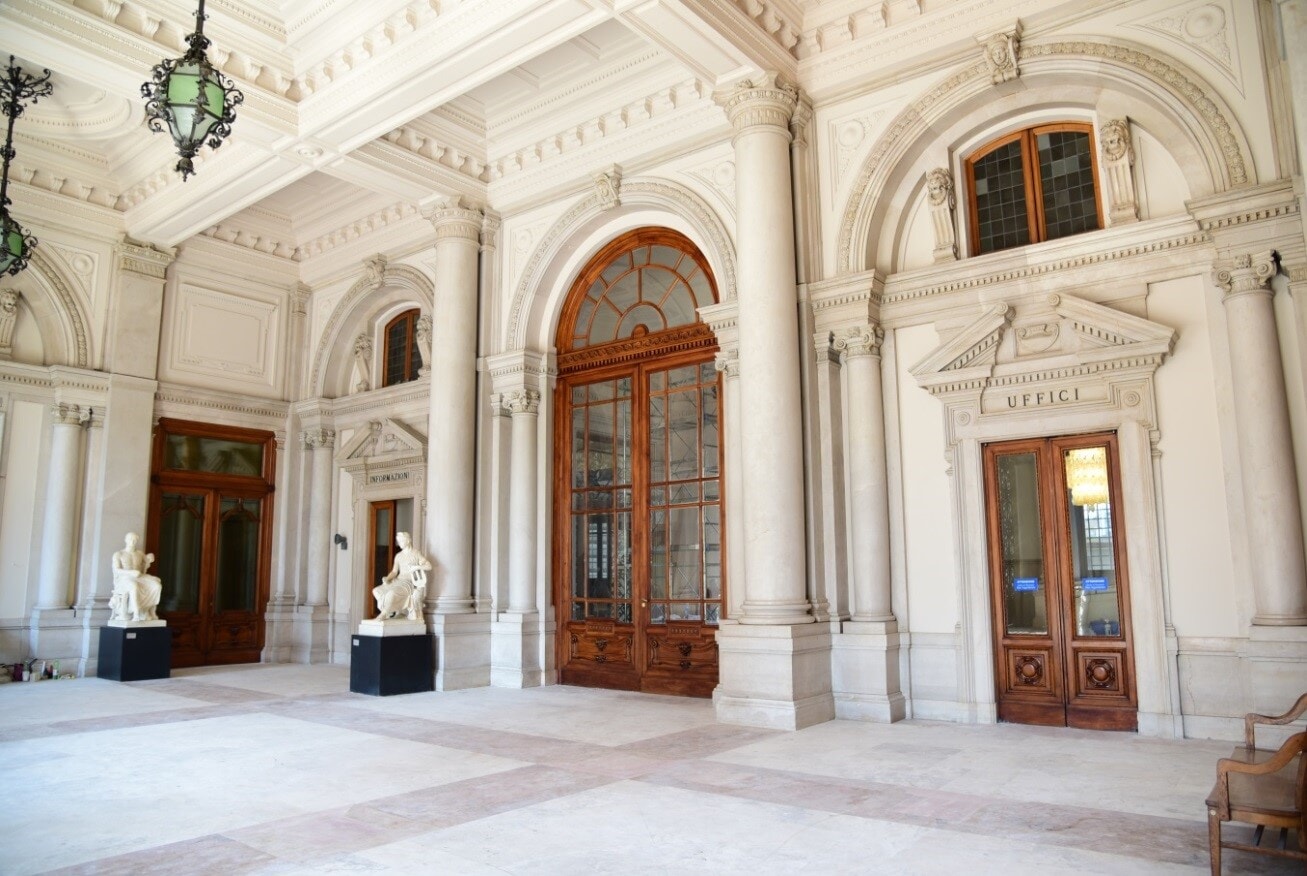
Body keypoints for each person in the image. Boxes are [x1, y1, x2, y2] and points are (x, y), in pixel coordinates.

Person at [372, 532, 432, 621]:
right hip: (397, 581)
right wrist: (387, 578)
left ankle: (384, 614)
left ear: (407, 541)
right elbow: (394, 571)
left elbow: (429, 566)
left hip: (408, 583)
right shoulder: (398, 556)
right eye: (398, 541)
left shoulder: (416, 553)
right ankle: (391, 610)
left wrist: (417, 567)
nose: (399, 543)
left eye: (401, 541)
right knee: (376, 591)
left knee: (391, 594)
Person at [110, 532, 163, 623]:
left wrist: (150, 557)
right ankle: (136, 612)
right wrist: (131, 573)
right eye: (130, 539)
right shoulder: (119, 554)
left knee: (157, 585)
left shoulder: (140, 554)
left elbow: (147, 561)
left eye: (134, 540)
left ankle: (148, 610)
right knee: (133, 586)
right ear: (126, 540)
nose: (132, 541)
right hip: (124, 578)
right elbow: (117, 570)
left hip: (140, 577)